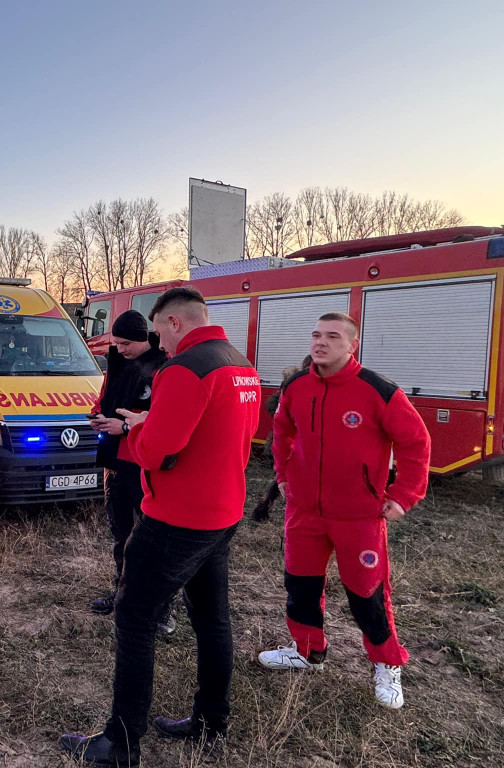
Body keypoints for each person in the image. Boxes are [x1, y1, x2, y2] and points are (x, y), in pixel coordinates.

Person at [61, 286, 261, 765]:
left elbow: (157, 452)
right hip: (223, 512)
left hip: (176, 519)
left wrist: (135, 427)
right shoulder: (240, 364)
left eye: (160, 332)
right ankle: (211, 722)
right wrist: (155, 417)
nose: (160, 344)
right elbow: (220, 434)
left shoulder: (184, 369)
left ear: (174, 323)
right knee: (212, 620)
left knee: (134, 619)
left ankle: (121, 743)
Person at [258, 312, 430, 710]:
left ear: (352, 344)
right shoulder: (296, 386)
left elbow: (416, 443)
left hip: (359, 516)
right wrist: (283, 475)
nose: (320, 342)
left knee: (366, 595)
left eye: (332, 336)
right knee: (300, 587)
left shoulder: (378, 390)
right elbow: (282, 432)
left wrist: (404, 494)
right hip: (304, 512)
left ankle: (388, 664)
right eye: (316, 335)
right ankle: (307, 651)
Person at [88, 310, 175, 636]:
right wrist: (97, 414)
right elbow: (105, 399)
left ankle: (160, 610)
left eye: (126, 343)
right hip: (116, 464)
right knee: (121, 534)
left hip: (144, 465)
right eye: (117, 343)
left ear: (143, 338)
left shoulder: (162, 368)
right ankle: (123, 593)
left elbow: (166, 419)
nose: (120, 348)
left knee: (151, 540)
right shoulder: (117, 364)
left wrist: (123, 426)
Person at [251, 355, 312, 522]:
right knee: (283, 478)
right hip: (289, 443)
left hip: (301, 444)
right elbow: (273, 408)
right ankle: (263, 508)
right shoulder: (293, 386)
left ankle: (264, 508)